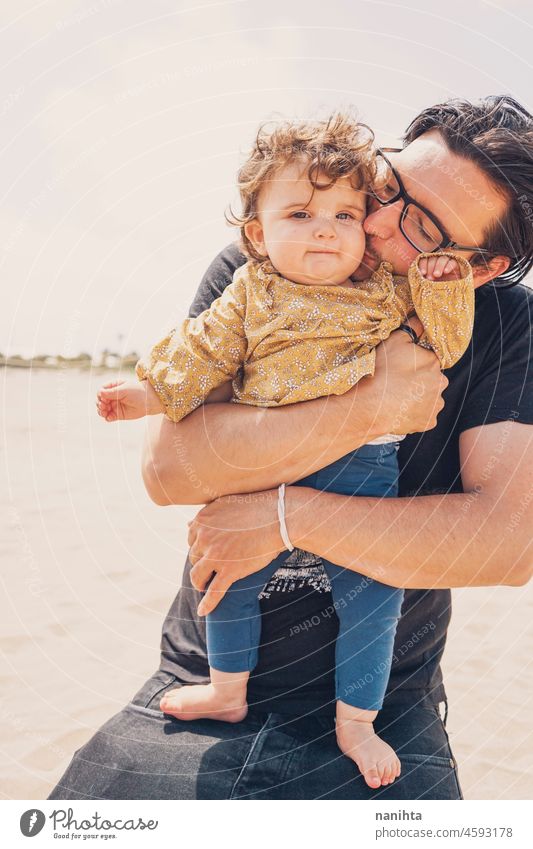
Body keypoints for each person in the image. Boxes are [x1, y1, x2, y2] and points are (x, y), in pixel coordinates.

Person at [49, 95, 533, 801]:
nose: (367, 220)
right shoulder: (267, 267)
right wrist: (368, 406)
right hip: (200, 676)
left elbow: (508, 542)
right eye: (386, 183)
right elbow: (167, 470)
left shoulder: (504, 325)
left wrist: (286, 516)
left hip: (385, 706)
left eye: (420, 225)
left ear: (481, 266)